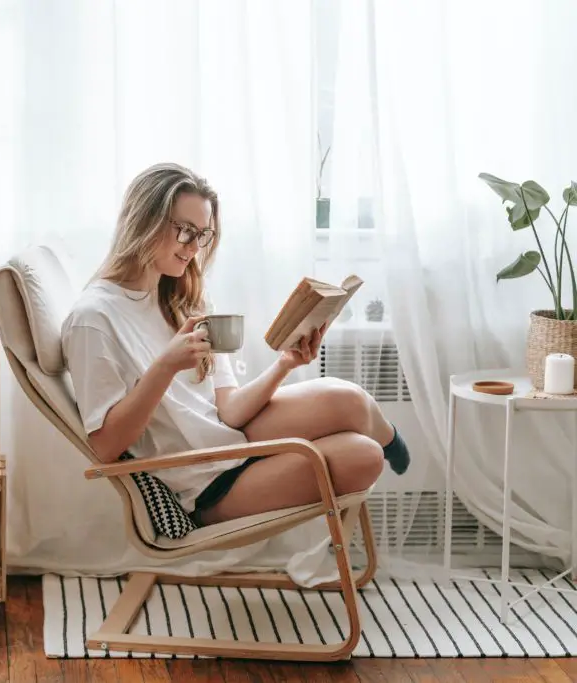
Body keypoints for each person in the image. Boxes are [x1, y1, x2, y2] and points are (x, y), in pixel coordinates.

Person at [60, 162, 410, 526]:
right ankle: (383, 445)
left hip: (230, 438)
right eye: (185, 231)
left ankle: (392, 442)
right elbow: (104, 447)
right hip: (203, 482)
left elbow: (227, 408)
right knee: (364, 457)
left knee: (350, 400)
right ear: (145, 220)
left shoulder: (181, 296)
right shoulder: (94, 319)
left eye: (203, 235)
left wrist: (285, 364)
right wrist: (164, 367)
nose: (195, 247)